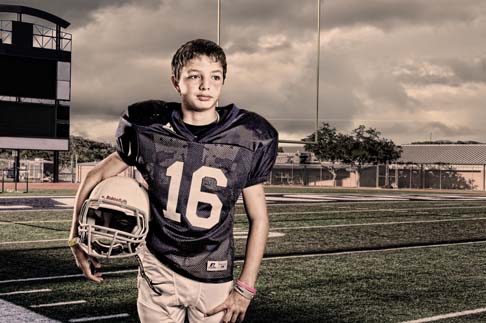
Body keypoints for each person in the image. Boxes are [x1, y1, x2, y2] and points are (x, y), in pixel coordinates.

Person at [68, 38, 278, 323]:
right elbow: (97, 174)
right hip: (159, 265)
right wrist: (76, 238)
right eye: (194, 76)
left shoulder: (249, 136)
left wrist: (245, 288)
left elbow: (259, 217)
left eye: (215, 77)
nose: (206, 85)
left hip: (213, 273)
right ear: (176, 81)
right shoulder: (147, 126)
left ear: (223, 81)